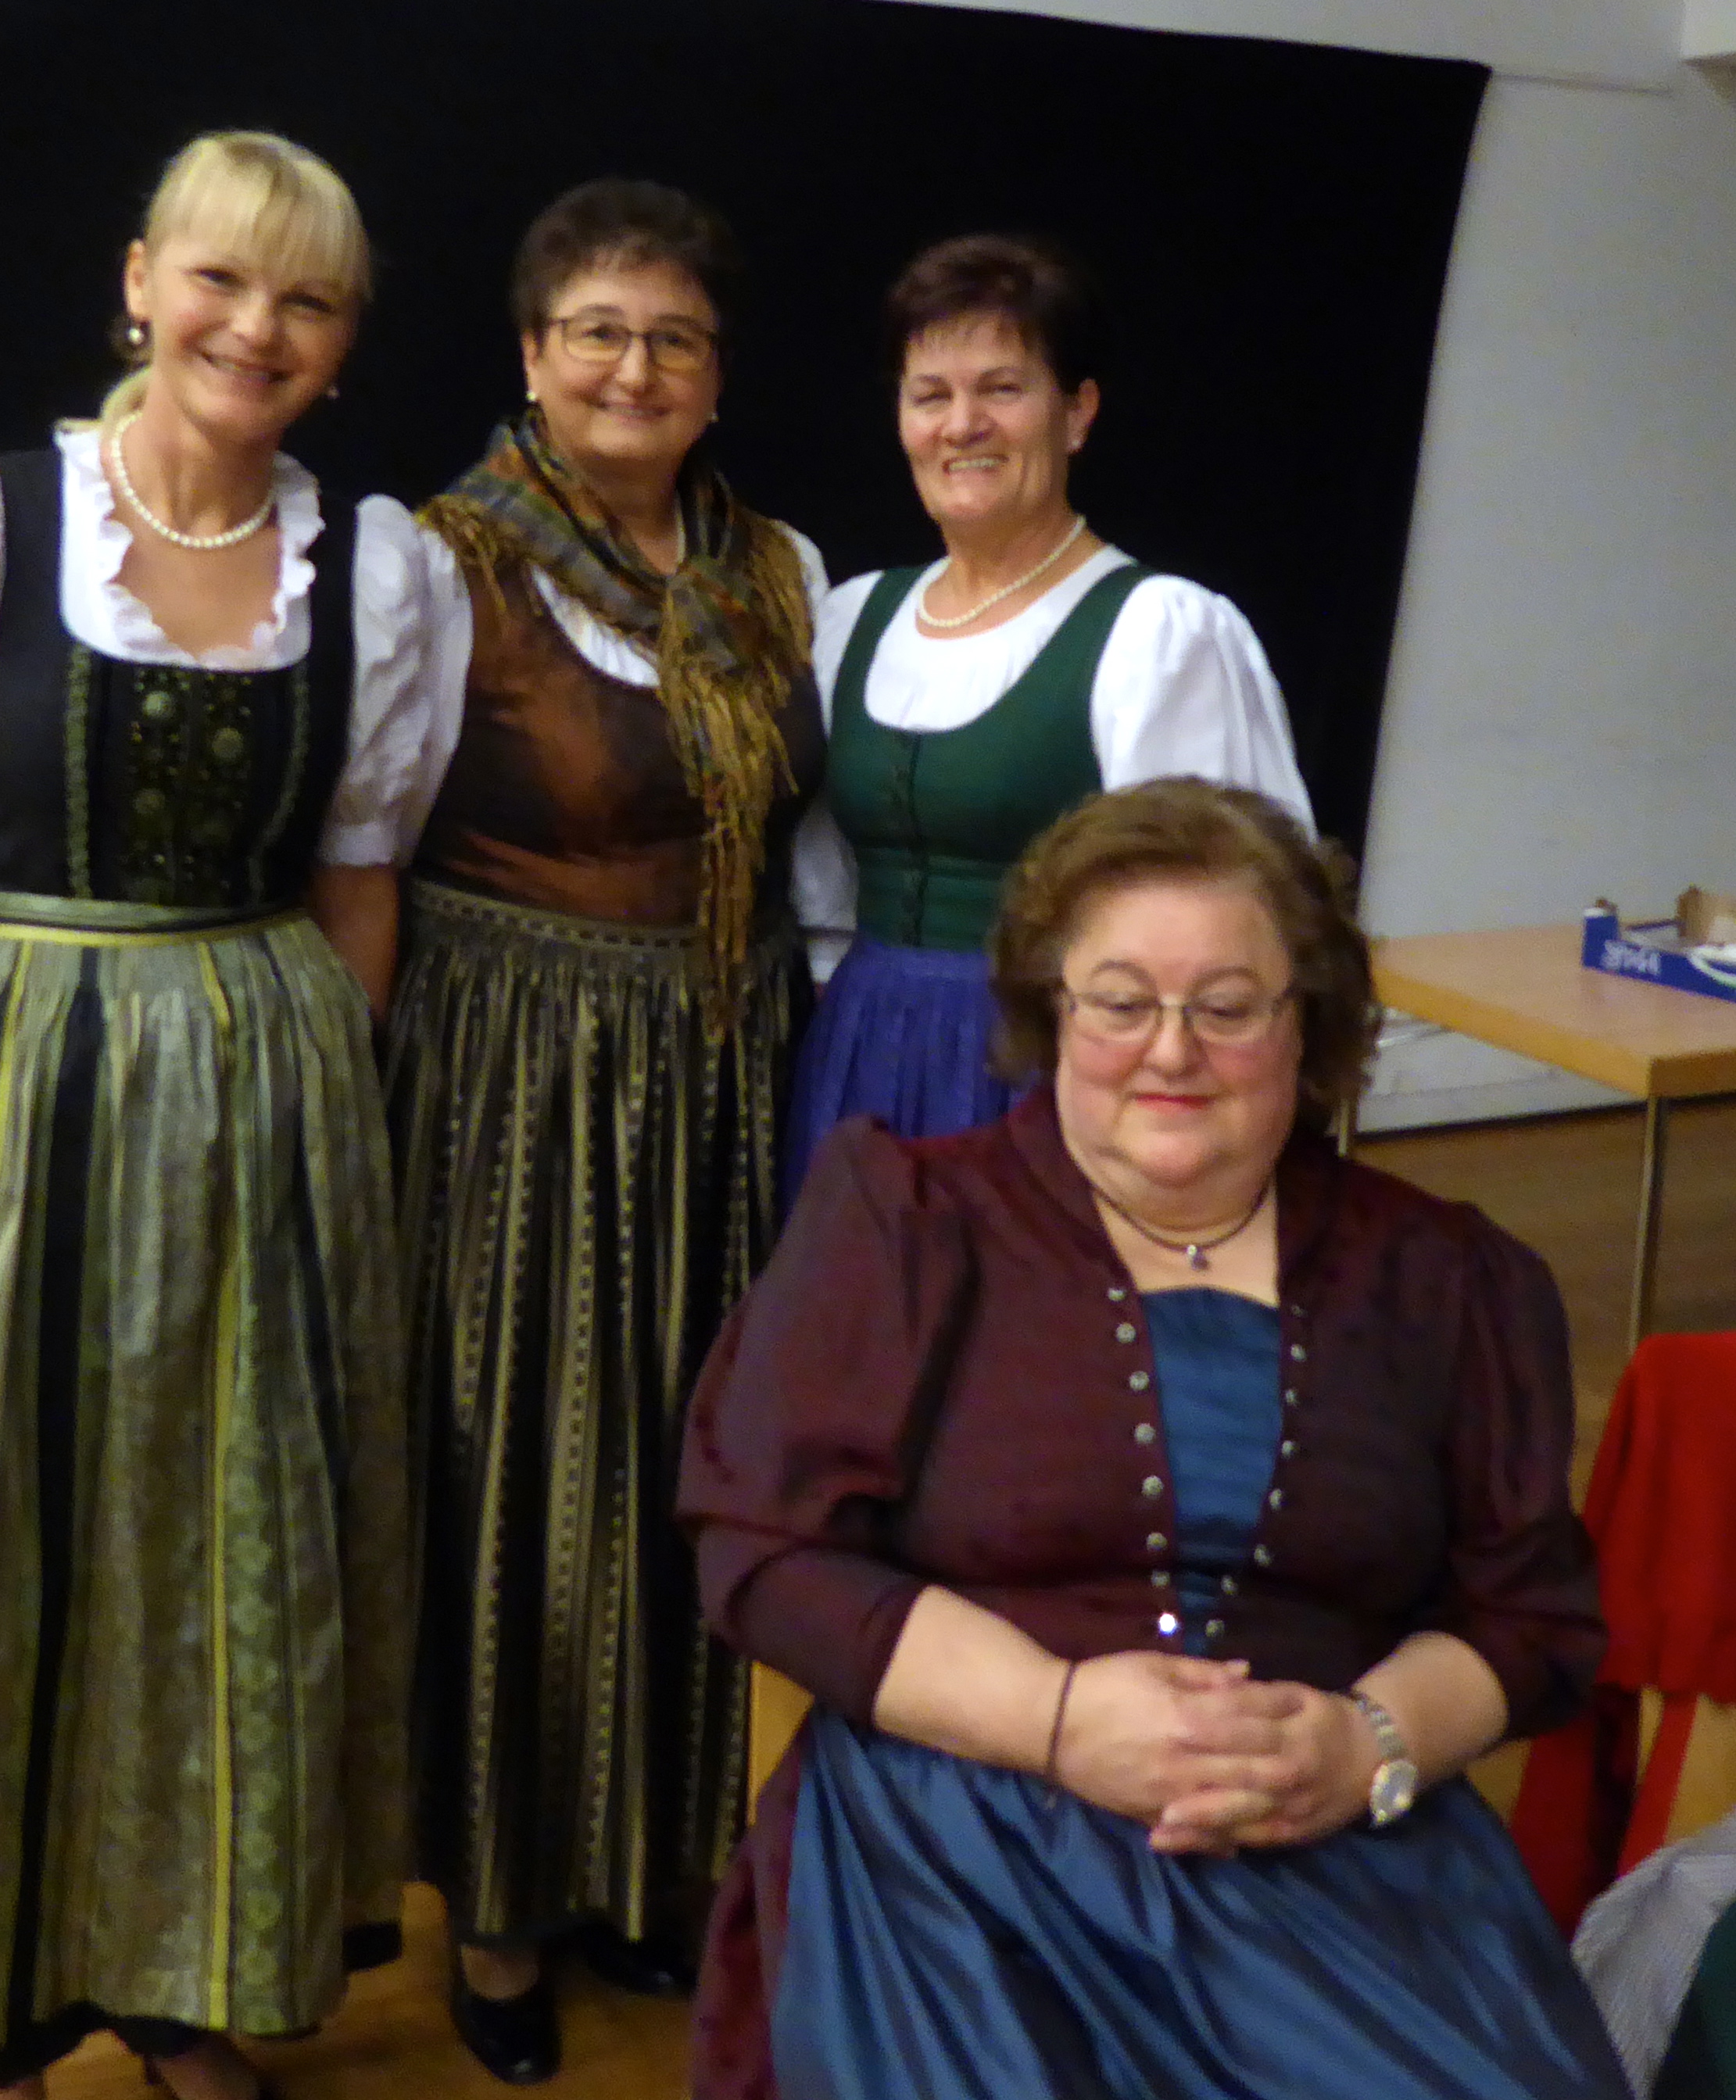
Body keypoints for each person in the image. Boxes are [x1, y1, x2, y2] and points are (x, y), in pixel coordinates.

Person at [680, 778, 1628, 2099]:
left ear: (1307, 1025)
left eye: (1225, 1007)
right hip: (956, 1856)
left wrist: (1363, 1744)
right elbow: (763, 1553)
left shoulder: (1449, 1278)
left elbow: (1530, 1621)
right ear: (1051, 1012)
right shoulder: (907, 1219)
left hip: (1334, 1856)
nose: (1169, 1051)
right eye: (1119, 1001)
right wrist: (1057, 1720)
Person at [0, 131, 409, 2100]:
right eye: (220, 278)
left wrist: (325, 1122)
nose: (256, 327)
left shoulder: (374, 567)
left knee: (230, 1540)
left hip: (266, 1088)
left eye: (307, 299)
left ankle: (189, 1972)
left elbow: (358, 884)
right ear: (141, 281)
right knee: (9, 1522)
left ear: (342, 341)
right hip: (26, 1077)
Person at [313, 177, 825, 2084]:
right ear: (531, 356)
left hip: (712, 1078)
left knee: (680, 1472)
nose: (634, 366)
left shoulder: (772, 568)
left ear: (717, 375)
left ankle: (644, 1861)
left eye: (673, 337)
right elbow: (358, 849)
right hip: (510, 1077)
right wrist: (365, 1100)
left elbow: (800, 851)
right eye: (597, 330)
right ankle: (501, 1907)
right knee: (517, 1482)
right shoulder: (437, 563)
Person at [785, 234, 1312, 1199]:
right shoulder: (855, 616)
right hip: (861, 1047)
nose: (963, 424)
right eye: (930, 395)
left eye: (1003, 388)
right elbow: (820, 879)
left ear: (1077, 412)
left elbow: (1241, 909)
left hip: (1054, 1065)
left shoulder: (1158, 632)